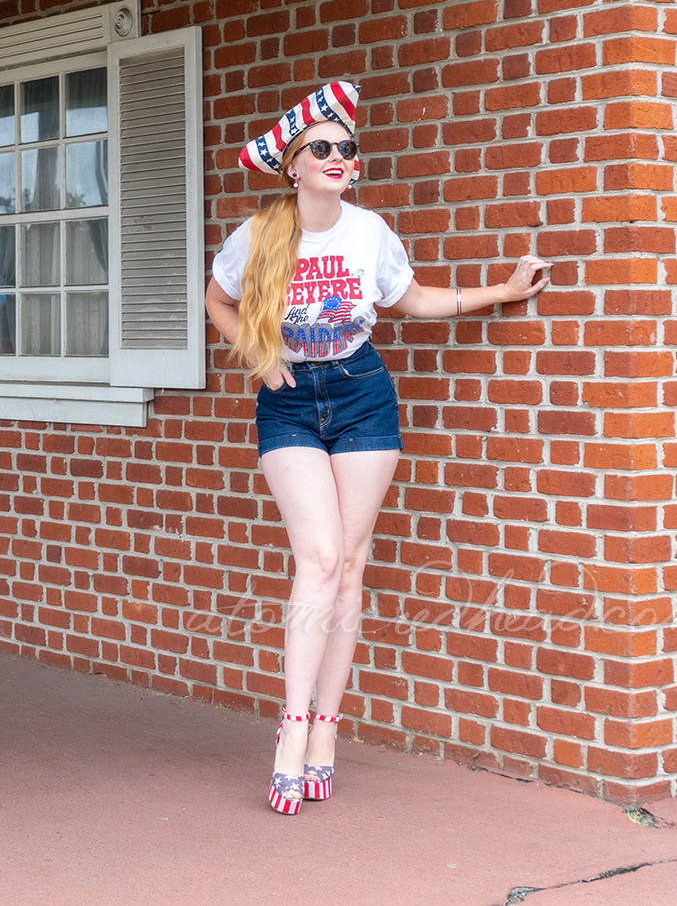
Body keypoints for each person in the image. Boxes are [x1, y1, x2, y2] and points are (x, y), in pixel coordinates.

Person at [206, 81, 552, 815]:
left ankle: (328, 730)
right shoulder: (260, 235)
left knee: (351, 564)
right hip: (289, 400)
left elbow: (413, 299)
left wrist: (500, 292)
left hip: (363, 394)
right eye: (321, 147)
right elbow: (217, 300)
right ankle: (291, 731)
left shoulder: (369, 233)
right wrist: (258, 354)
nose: (338, 156)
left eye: (347, 148)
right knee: (320, 557)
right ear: (293, 165)